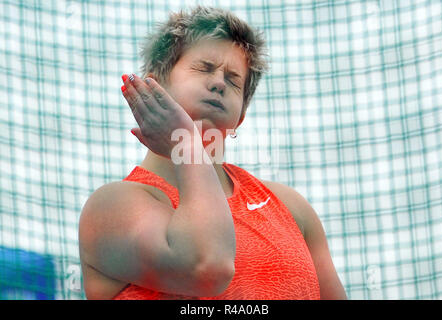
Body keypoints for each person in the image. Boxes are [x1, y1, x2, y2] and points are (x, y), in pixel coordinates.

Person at [78, 6, 347, 300]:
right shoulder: (111, 207)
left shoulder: (292, 208)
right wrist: (188, 146)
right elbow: (207, 268)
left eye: (233, 80)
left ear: (240, 116)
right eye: (204, 68)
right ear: (154, 86)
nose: (219, 82)